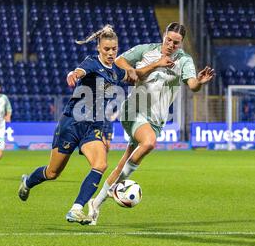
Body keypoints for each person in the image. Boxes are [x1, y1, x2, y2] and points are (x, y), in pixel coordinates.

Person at [87, 22, 215, 225]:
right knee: (148, 143)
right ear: (164, 36)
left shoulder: (184, 61)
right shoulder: (145, 51)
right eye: (169, 40)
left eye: (177, 42)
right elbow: (119, 62)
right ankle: (113, 190)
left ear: (181, 44)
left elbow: (192, 85)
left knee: (123, 164)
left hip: (156, 120)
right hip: (133, 112)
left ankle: (95, 204)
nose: (172, 45)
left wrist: (199, 82)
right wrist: (138, 69)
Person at [17, 25, 135, 225]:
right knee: (52, 172)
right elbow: (79, 71)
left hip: (93, 127)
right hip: (72, 123)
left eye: (114, 49)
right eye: (106, 49)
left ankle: (76, 209)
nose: (110, 53)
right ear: (99, 48)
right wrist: (73, 74)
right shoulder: (91, 62)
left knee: (100, 164)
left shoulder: (115, 71)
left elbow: (133, 75)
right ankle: (28, 182)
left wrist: (156, 65)